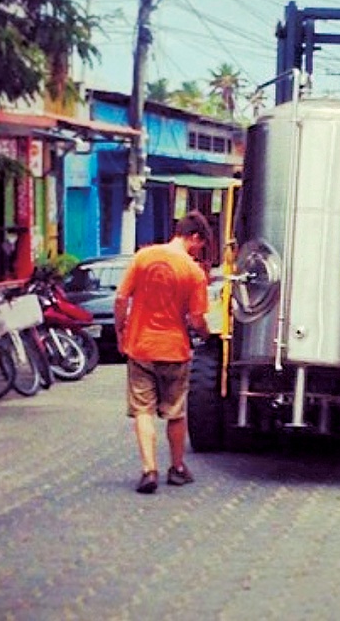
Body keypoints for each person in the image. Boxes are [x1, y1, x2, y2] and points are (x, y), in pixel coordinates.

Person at [114, 211, 213, 494]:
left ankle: (149, 470)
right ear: (194, 237)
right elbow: (196, 320)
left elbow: (121, 299)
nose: (198, 251)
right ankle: (178, 468)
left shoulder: (142, 257)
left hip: (140, 347)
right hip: (174, 350)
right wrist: (206, 335)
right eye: (200, 245)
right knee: (175, 412)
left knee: (143, 410)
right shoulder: (194, 273)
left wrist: (121, 332)